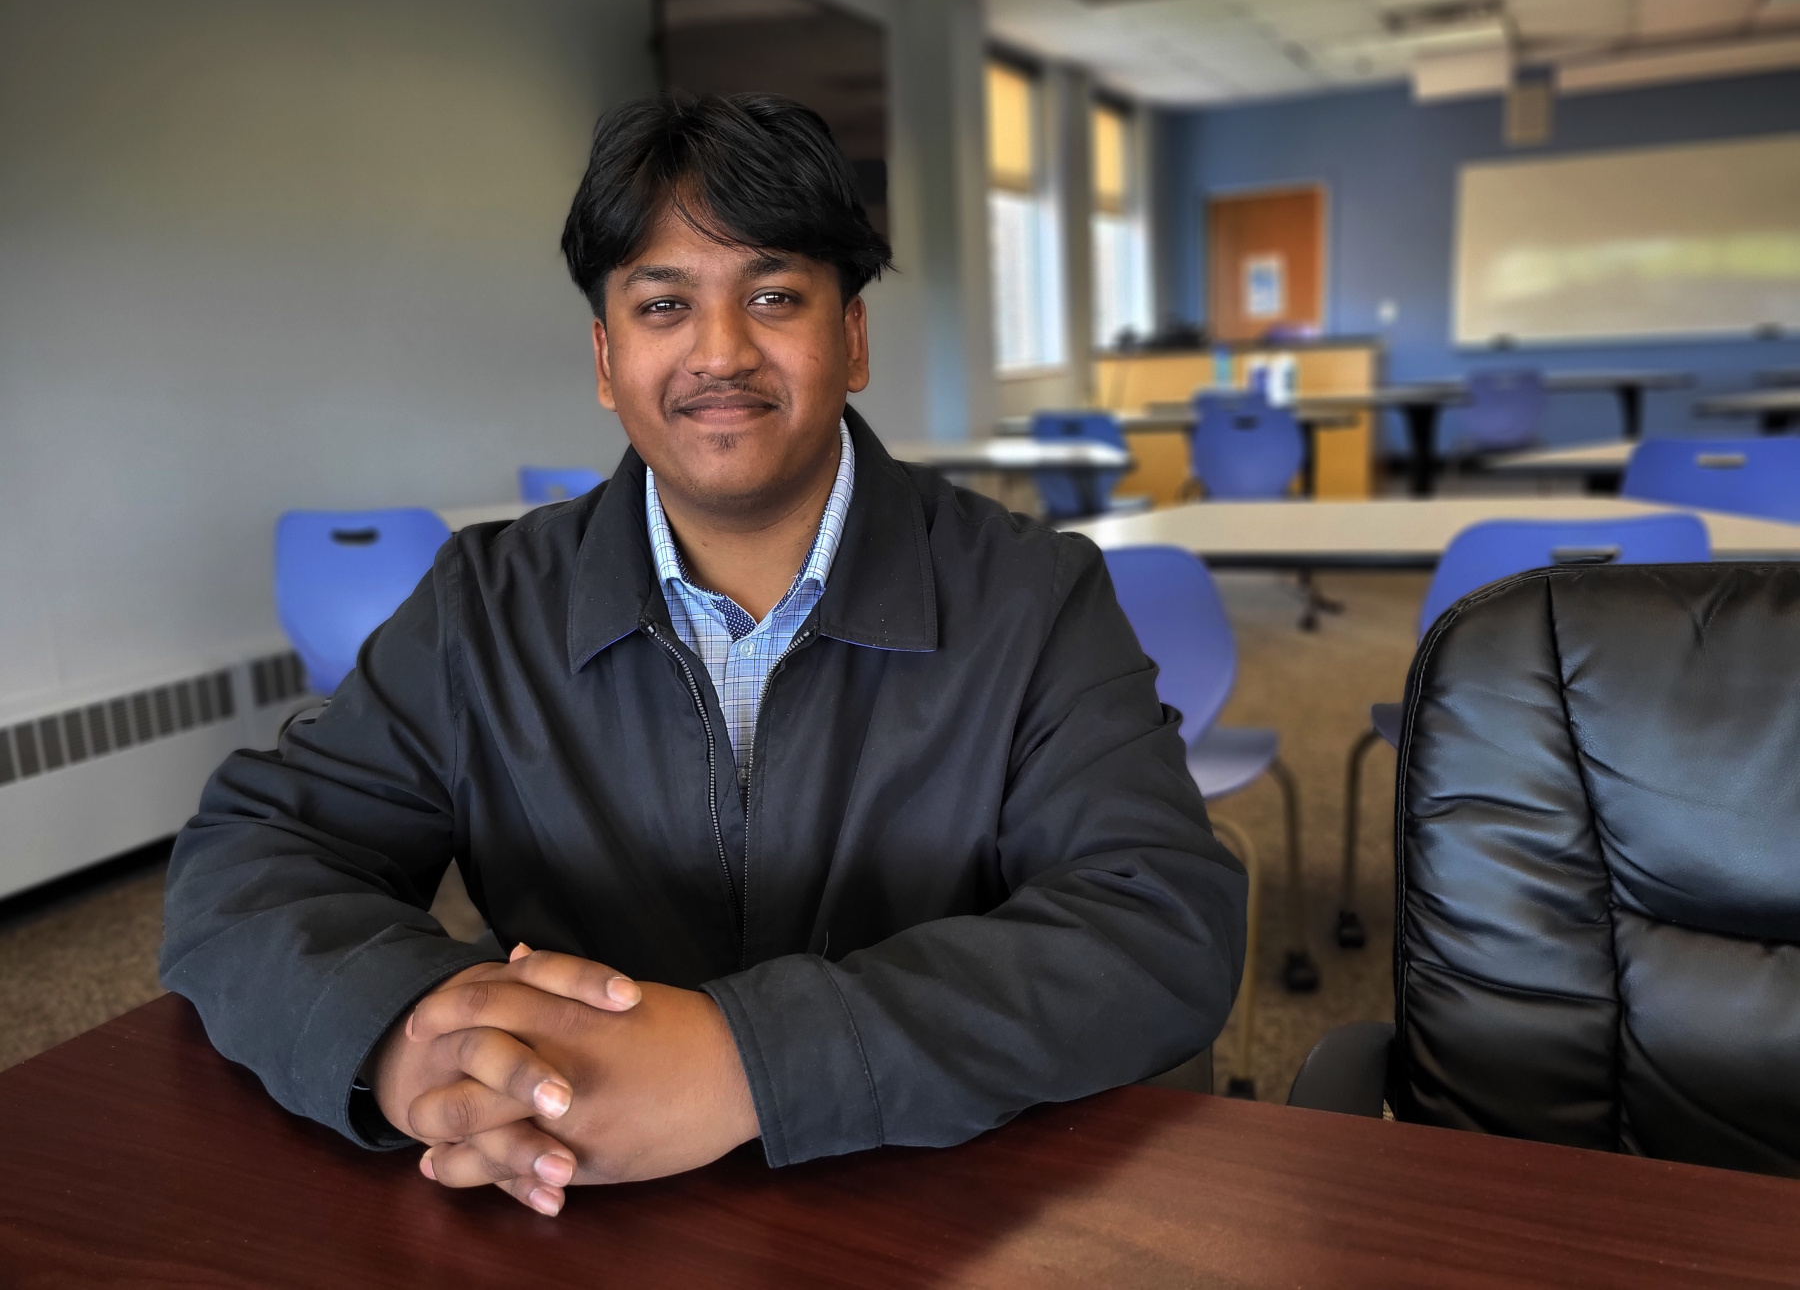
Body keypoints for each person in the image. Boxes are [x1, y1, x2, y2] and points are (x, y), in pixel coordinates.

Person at [161, 92, 1247, 1218]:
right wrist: (399, 1037)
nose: (719, 351)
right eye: (664, 303)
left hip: (942, 1199)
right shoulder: (482, 605)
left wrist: (749, 1061)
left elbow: (1159, 917)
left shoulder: (1032, 595)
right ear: (606, 356)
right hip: (578, 1209)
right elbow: (253, 855)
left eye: (774, 296)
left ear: (853, 338)